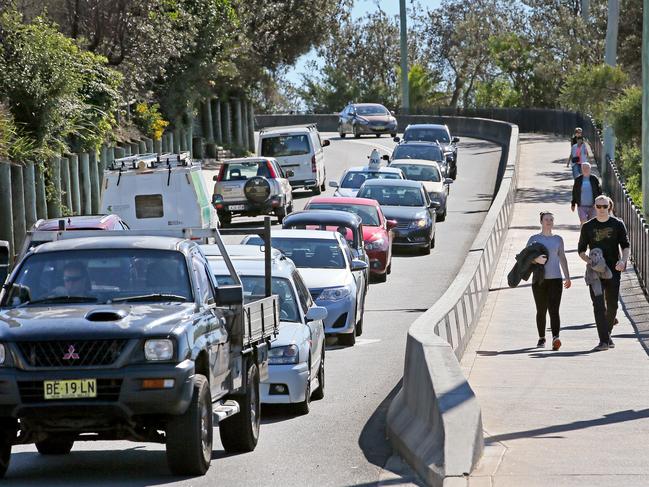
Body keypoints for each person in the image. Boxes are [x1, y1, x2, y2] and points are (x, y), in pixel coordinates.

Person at [578, 195, 630, 351]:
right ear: (594, 207)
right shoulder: (588, 226)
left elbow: (625, 246)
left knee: (612, 306)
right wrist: (590, 261)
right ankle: (604, 341)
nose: (601, 209)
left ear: (610, 207)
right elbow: (581, 250)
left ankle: (607, 334)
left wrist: (623, 261)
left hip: (614, 270)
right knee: (598, 305)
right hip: (595, 273)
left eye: (604, 206)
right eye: (598, 206)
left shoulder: (617, 224)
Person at [527, 212, 571, 350]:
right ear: (541, 221)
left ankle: (555, 338)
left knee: (554, 310)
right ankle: (541, 338)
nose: (549, 222)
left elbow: (562, 257)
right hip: (539, 280)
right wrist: (535, 259)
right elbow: (525, 258)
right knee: (541, 310)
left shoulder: (558, 239)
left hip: (556, 279)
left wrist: (567, 276)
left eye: (551, 219)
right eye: (546, 219)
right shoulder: (534, 239)